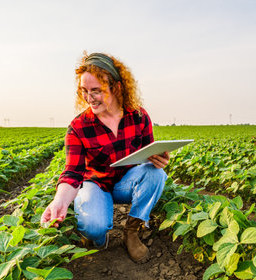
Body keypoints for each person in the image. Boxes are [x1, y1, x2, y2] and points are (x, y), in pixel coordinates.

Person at [41, 52, 169, 263]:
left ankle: (131, 231)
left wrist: (158, 159)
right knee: (94, 228)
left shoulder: (138, 116)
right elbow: (73, 172)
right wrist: (59, 201)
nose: (89, 98)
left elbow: (148, 154)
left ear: (117, 87)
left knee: (157, 173)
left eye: (96, 91)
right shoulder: (78, 127)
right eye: (84, 91)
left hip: (125, 183)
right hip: (96, 184)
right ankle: (97, 238)